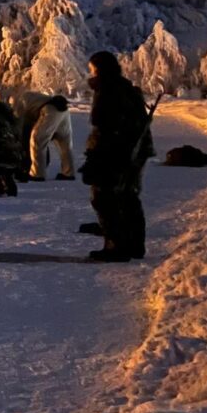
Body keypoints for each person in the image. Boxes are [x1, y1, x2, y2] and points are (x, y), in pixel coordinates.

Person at [81, 51, 154, 263]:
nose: (90, 73)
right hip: (133, 151)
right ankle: (134, 244)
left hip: (115, 152)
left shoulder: (108, 90)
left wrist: (95, 156)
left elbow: (105, 126)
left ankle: (116, 246)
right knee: (127, 195)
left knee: (105, 197)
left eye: (92, 69)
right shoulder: (126, 88)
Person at [13, 91, 75, 181]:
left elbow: (18, 122)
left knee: (37, 140)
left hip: (49, 110)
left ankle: (37, 174)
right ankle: (68, 173)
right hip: (64, 111)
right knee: (64, 142)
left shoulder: (18, 103)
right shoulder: (29, 96)